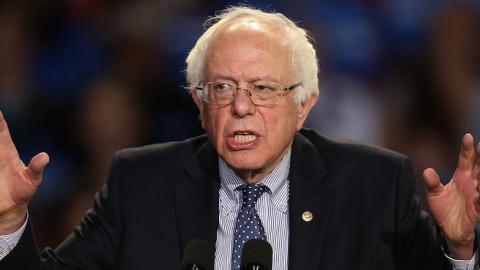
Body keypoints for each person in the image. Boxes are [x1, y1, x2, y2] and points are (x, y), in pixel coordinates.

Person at [1, 6, 480, 270]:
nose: (242, 106)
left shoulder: (374, 186)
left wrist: (460, 251)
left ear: (305, 103)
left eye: (264, 89)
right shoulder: (140, 184)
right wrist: (9, 224)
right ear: (199, 103)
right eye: (223, 88)